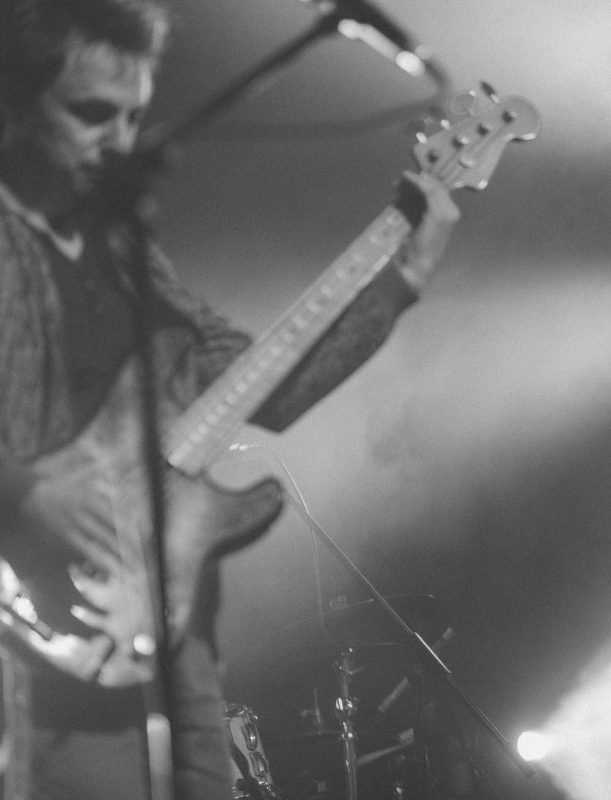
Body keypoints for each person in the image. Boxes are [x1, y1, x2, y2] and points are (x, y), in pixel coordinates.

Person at [0, 0, 460, 797]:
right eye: (92, 114)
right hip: (37, 630)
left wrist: (401, 278)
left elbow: (256, 386)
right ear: (14, 108)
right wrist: (25, 488)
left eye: (136, 116)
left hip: (170, 623)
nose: (119, 141)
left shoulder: (121, 242)